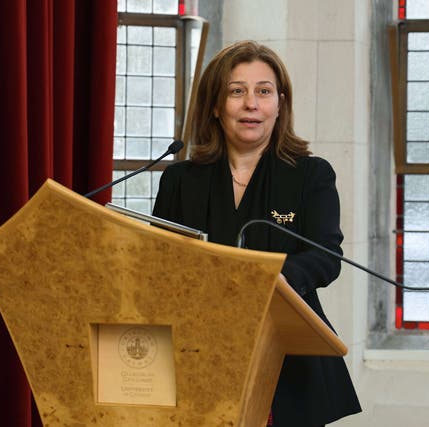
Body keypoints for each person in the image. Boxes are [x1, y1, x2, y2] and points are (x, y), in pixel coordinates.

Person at [152, 41, 361, 426]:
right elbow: (160, 264)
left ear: (279, 104)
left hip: (288, 357)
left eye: (264, 91)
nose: (251, 104)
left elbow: (325, 258)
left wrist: (274, 279)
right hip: (197, 354)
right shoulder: (180, 180)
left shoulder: (311, 174)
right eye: (237, 91)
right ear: (215, 105)